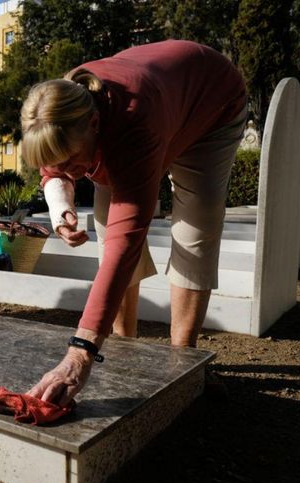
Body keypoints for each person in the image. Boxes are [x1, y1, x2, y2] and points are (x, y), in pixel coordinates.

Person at [20, 40, 247, 406]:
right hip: (156, 102)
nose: (69, 172)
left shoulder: (134, 125)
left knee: (195, 227)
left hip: (210, 105)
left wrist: (80, 352)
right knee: (109, 231)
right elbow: (53, 164)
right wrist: (60, 206)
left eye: (73, 161)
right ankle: (125, 348)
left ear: (95, 124)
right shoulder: (60, 108)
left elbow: (127, 246)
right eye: (59, 162)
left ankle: (184, 359)